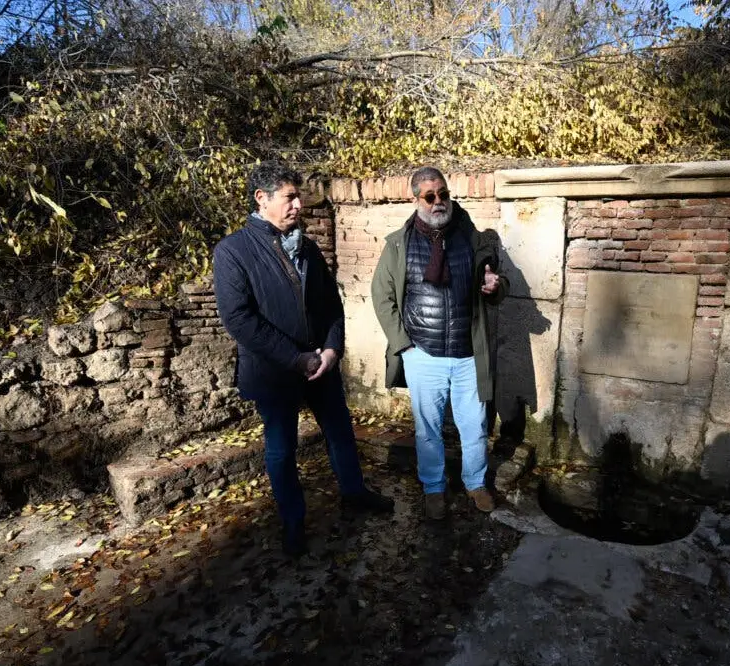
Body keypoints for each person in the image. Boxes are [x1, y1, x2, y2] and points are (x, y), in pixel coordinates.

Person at [214, 164, 393, 556]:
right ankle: (293, 522)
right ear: (261, 199)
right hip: (275, 371)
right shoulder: (233, 251)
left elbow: (331, 305)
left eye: (299, 196)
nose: (298, 204)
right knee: (281, 450)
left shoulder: (306, 246)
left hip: (321, 367)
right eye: (289, 197)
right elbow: (239, 319)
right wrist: (297, 360)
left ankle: (354, 492)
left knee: (341, 434)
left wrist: (330, 350)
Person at [371, 166, 509, 520]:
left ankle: (475, 484)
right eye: (430, 197)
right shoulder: (399, 244)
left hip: (467, 353)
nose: (438, 202)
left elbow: (495, 285)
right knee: (428, 430)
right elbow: (382, 295)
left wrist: (495, 286)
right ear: (415, 199)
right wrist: (404, 345)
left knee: (474, 427)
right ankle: (433, 488)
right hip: (424, 353)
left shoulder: (472, 237)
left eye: (443, 194)